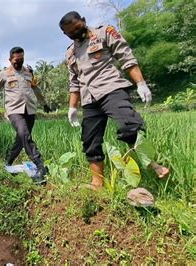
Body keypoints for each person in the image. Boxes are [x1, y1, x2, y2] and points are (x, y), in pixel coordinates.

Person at [59, 11, 170, 190]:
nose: (76, 33)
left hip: (111, 89)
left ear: (84, 21)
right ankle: (97, 183)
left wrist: (140, 82)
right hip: (89, 99)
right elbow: (74, 82)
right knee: (90, 141)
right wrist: (72, 107)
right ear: (65, 34)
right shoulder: (71, 53)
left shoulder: (104, 33)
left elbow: (126, 57)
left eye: (78, 28)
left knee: (129, 124)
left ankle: (153, 165)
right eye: (71, 33)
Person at [0, 47, 49, 184]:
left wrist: (44, 103)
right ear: (10, 60)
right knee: (24, 134)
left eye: (21, 60)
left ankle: (8, 162)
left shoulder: (29, 73)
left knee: (21, 139)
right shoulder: (3, 74)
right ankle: (40, 165)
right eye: (16, 61)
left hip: (30, 110)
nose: (19, 63)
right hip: (14, 110)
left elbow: (35, 88)